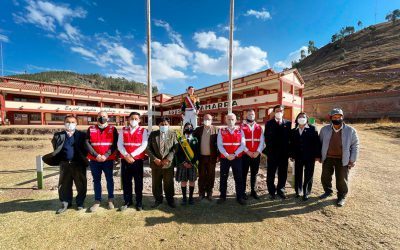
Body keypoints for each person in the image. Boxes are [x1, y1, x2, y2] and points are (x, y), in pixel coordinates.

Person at [43, 115, 88, 214]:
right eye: (68, 122)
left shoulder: (82, 135)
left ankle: (80, 203)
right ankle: (65, 203)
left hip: (78, 164)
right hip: (64, 164)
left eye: (73, 122)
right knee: (64, 185)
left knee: (81, 184)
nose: (70, 124)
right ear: (64, 123)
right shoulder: (58, 135)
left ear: (76, 124)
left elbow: (86, 149)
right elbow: (56, 149)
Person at [319, 108, 359, 207]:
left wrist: (352, 159)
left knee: (341, 179)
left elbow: (355, 145)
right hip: (328, 157)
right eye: (334, 117)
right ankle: (328, 191)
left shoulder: (351, 130)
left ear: (342, 117)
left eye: (339, 117)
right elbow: (320, 143)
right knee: (325, 177)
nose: (337, 119)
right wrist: (319, 156)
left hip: (343, 159)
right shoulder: (324, 129)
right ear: (331, 118)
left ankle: (341, 196)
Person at [85, 111, 118, 212]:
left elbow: (115, 144)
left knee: (109, 179)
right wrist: (97, 155)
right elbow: (87, 143)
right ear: (97, 118)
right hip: (95, 160)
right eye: (100, 116)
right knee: (96, 180)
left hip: (108, 159)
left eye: (104, 116)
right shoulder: (91, 129)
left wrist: (106, 155)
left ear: (108, 118)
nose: (102, 118)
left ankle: (111, 199)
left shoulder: (113, 129)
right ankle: (97, 200)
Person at [117, 112, 148, 211]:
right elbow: (119, 144)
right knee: (126, 182)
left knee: (138, 182)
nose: (133, 120)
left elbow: (144, 145)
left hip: (137, 160)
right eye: (132, 118)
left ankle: (139, 202)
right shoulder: (123, 130)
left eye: (136, 118)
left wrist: (132, 155)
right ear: (129, 119)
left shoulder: (143, 130)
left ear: (139, 120)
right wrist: (126, 155)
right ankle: (127, 201)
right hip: (125, 160)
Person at [146, 117, 178, 208]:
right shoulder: (153, 134)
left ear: (169, 125)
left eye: (166, 124)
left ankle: (170, 200)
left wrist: (168, 158)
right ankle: (158, 199)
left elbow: (175, 148)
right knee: (156, 182)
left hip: (168, 164)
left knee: (169, 182)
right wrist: (154, 159)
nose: (164, 126)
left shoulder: (173, 134)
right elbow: (148, 148)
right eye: (162, 124)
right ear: (158, 125)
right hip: (156, 163)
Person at [289, 112, 321, 201]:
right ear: (297, 119)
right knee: (298, 174)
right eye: (299, 116)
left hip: (310, 157)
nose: (301, 118)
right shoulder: (293, 130)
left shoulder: (312, 128)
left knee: (308, 175)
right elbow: (291, 144)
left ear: (307, 119)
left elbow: (317, 143)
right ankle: (298, 191)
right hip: (298, 157)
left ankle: (306, 192)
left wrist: (317, 155)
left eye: (303, 117)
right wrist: (291, 155)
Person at [263, 105, 292, 200]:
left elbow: (289, 139)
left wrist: (289, 152)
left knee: (283, 173)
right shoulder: (269, 123)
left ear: (283, 112)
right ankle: (271, 191)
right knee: (271, 173)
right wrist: (269, 152)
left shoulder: (288, 123)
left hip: (284, 154)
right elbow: (266, 138)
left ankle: (281, 190)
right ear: (274, 112)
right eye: (277, 110)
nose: (279, 112)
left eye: (281, 110)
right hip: (272, 154)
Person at [217, 113, 246, 205]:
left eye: (232, 119)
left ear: (236, 120)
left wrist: (234, 154)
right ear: (226, 120)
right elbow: (219, 145)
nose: (230, 121)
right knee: (223, 177)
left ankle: (239, 197)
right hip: (225, 158)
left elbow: (243, 145)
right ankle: (222, 196)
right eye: (229, 119)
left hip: (237, 158)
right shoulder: (221, 131)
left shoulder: (240, 131)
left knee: (238, 178)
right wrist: (226, 155)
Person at [193, 114, 219, 200]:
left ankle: (210, 193)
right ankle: (201, 193)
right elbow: (192, 141)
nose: (207, 120)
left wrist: (218, 156)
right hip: (201, 157)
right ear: (202, 120)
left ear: (212, 120)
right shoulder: (198, 130)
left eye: (209, 119)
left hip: (212, 157)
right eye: (205, 119)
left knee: (211, 175)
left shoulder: (216, 130)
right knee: (201, 175)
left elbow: (219, 144)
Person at [241, 109, 264, 200]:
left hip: (256, 154)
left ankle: (253, 191)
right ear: (246, 116)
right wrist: (248, 151)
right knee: (244, 174)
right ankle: (243, 192)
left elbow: (262, 141)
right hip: (245, 154)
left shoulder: (259, 127)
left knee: (254, 173)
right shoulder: (242, 127)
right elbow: (241, 141)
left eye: (253, 114)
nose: (251, 116)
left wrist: (258, 152)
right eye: (249, 114)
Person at [175, 123, 199, 205]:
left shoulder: (195, 139)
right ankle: (184, 198)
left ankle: (191, 198)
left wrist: (192, 163)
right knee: (184, 181)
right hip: (183, 164)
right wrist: (184, 162)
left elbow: (197, 153)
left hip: (192, 164)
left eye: (190, 127)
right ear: (184, 128)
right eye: (187, 127)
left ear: (192, 128)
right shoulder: (180, 139)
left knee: (192, 180)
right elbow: (178, 153)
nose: (188, 128)